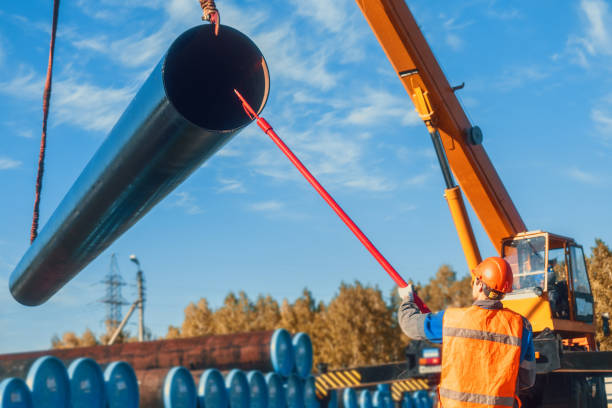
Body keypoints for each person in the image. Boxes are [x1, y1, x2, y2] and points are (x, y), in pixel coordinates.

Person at [398, 257, 535, 407]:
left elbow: (409, 324)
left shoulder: (452, 319)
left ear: (479, 284)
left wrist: (407, 299)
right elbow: (526, 379)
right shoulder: (521, 326)